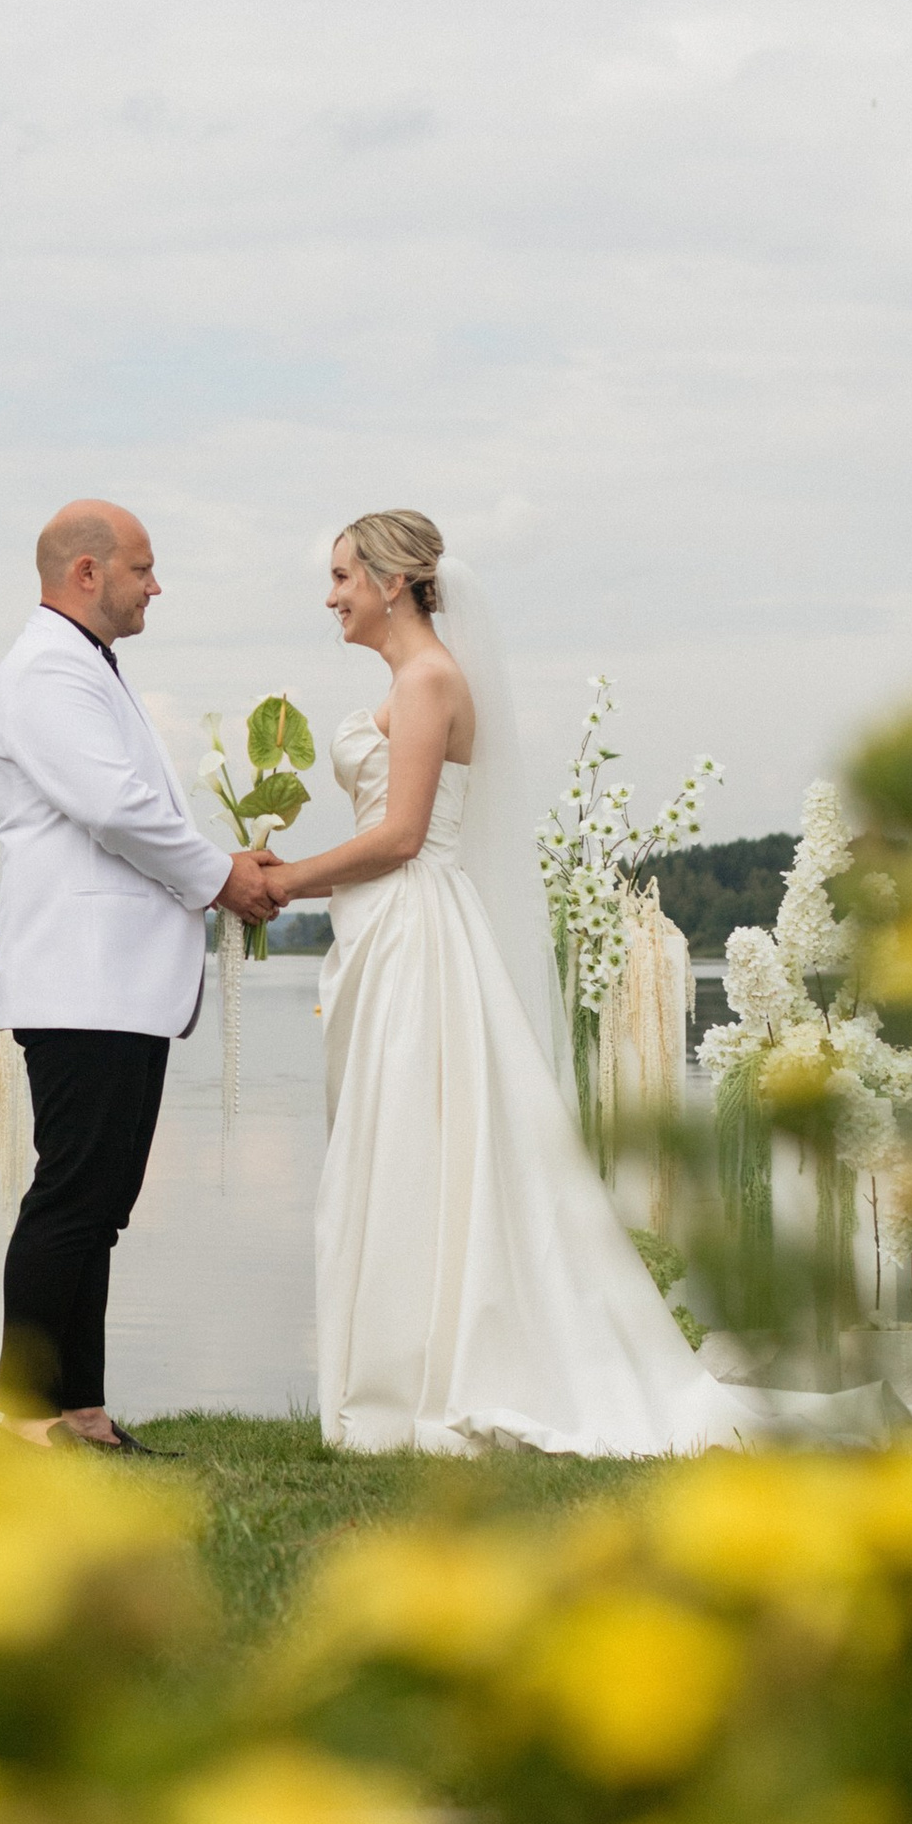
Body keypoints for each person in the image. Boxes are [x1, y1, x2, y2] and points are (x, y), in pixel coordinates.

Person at [261, 509, 757, 1457]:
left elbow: (402, 835)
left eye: (340, 577)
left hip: (414, 928)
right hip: (388, 926)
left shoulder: (432, 680)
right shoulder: (419, 680)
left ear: (391, 581)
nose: (330, 597)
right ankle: (402, 1370)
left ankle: (424, 1378)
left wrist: (285, 882)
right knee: (391, 1134)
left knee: (416, 1136)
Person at [0, 500, 281, 1452]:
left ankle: (82, 1410)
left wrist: (216, 862)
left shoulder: (85, 667)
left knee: (98, 1210)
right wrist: (221, 875)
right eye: (143, 569)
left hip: (111, 982)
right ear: (85, 573)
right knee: (71, 1198)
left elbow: (133, 806)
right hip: (83, 978)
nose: (157, 586)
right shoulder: (45, 671)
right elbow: (113, 807)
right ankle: (24, 1417)